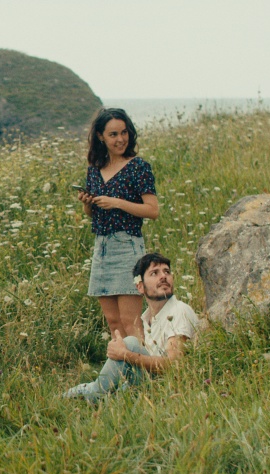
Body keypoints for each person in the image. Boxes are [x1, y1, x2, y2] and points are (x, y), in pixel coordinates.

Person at [63, 253, 199, 403]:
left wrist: (125, 354)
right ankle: (89, 392)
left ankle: (93, 394)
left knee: (131, 343)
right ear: (140, 287)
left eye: (167, 272)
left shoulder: (179, 311)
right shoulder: (147, 318)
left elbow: (174, 364)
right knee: (118, 384)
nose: (163, 277)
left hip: (168, 387)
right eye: (154, 273)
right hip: (149, 384)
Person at [78, 108, 159, 342]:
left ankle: (145, 365)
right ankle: (122, 366)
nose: (121, 139)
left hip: (127, 246)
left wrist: (117, 203)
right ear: (101, 136)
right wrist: (87, 204)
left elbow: (152, 211)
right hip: (102, 249)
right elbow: (92, 214)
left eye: (124, 132)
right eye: (113, 134)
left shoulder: (138, 167)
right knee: (114, 323)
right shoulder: (94, 170)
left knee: (130, 322)